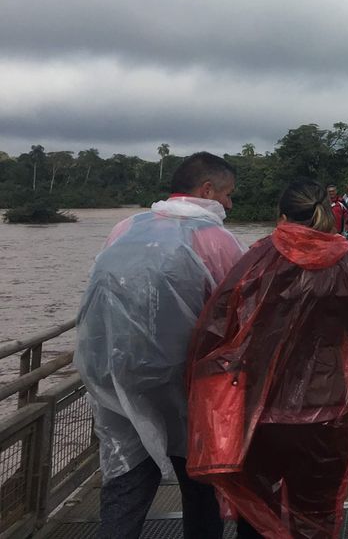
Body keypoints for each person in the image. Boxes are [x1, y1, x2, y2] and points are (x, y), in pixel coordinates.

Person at [187, 179, 348, 539]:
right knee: (316, 516)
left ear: (282, 217)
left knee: (256, 511)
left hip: (262, 412)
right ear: (328, 216)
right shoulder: (347, 264)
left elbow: (217, 329)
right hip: (329, 410)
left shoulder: (257, 260)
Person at [75, 152, 246, 539]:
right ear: (207, 191)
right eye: (228, 194)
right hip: (187, 380)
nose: (230, 204)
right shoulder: (216, 239)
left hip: (116, 375)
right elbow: (239, 311)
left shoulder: (126, 226)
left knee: (125, 475)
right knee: (200, 482)